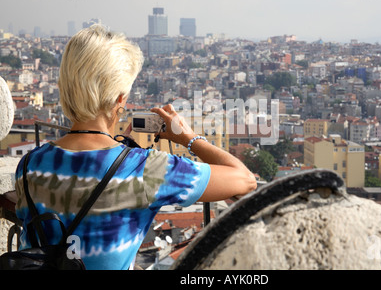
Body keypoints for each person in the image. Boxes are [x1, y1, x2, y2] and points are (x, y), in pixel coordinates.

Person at [14, 25, 257, 270]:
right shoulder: (144, 168)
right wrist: (188, 137)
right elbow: (245, 180)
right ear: (120, 99)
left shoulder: (30, 165)